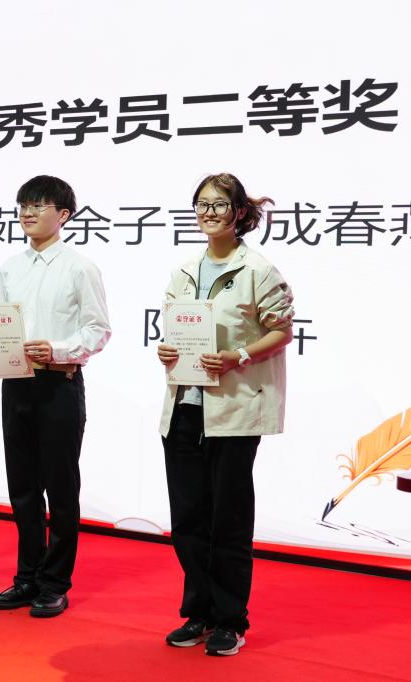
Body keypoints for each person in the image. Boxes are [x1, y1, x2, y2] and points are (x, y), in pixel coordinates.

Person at [157, 172, 294, 656]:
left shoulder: (258, 270)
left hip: (234, 410)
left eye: (218, 204)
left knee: (228, 518)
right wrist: (167, 351)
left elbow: (282, 331)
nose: (208, 213)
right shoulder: (184, 270)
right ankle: (198, 612)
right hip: (184, 407)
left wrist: (239, 356)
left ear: (239, 213)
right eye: (201, 204)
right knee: (187, 518)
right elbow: (175, 330)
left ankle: (230, 620)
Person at [0, 175, 111, 618]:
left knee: (61, 489)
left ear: (64, 214)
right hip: (16, 385)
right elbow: (2, 321)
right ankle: (26, 577)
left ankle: (54, 583)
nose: (27, 213)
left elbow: (99, 330)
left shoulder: (80, 267)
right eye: (23, 205)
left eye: (39, 205)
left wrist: (59, 350)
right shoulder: (11, 267)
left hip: (59, 384)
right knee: (23, 488)